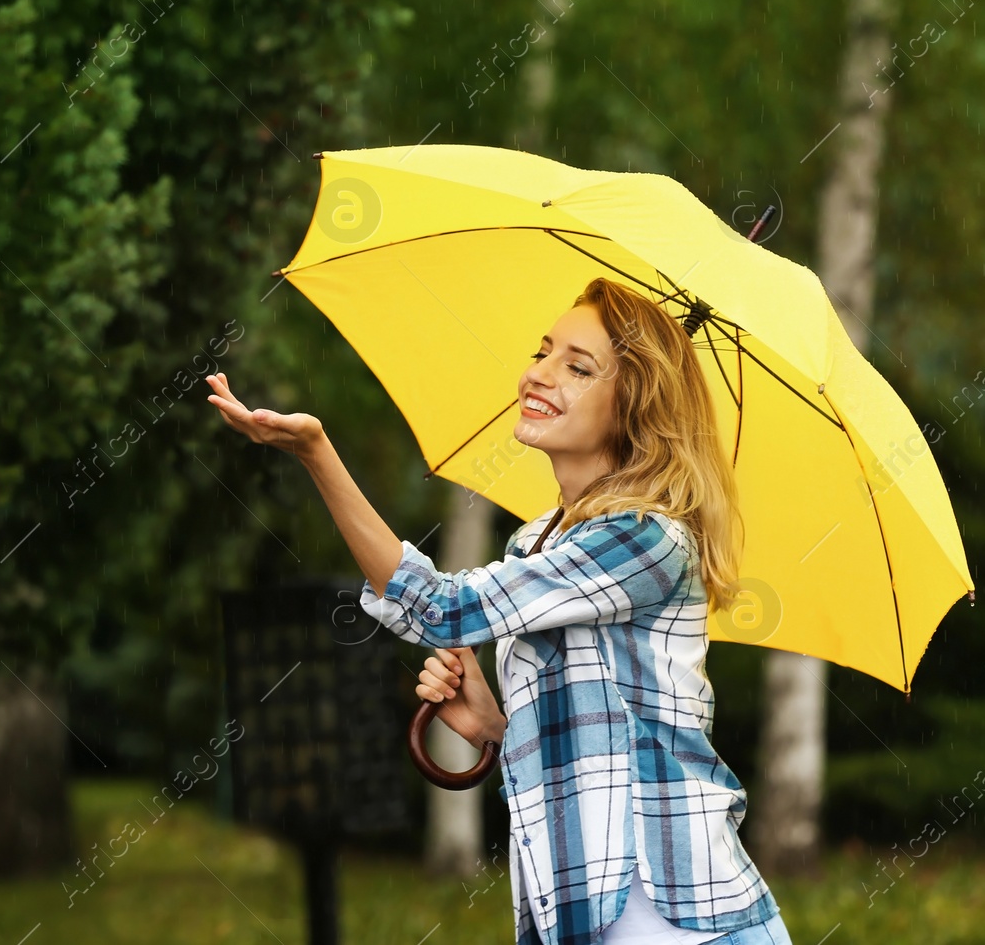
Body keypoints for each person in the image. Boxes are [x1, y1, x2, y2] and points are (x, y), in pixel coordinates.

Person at [205, 277, 791, 945]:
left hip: (679, 917)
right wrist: (493, 725)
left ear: (633, 407)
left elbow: (443, 608)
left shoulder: (646, 538)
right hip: (576, 908)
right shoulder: (536, 540)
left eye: (578, 367)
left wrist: (317, 453)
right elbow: (593, 737)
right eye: (543, 351)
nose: (539, 374)